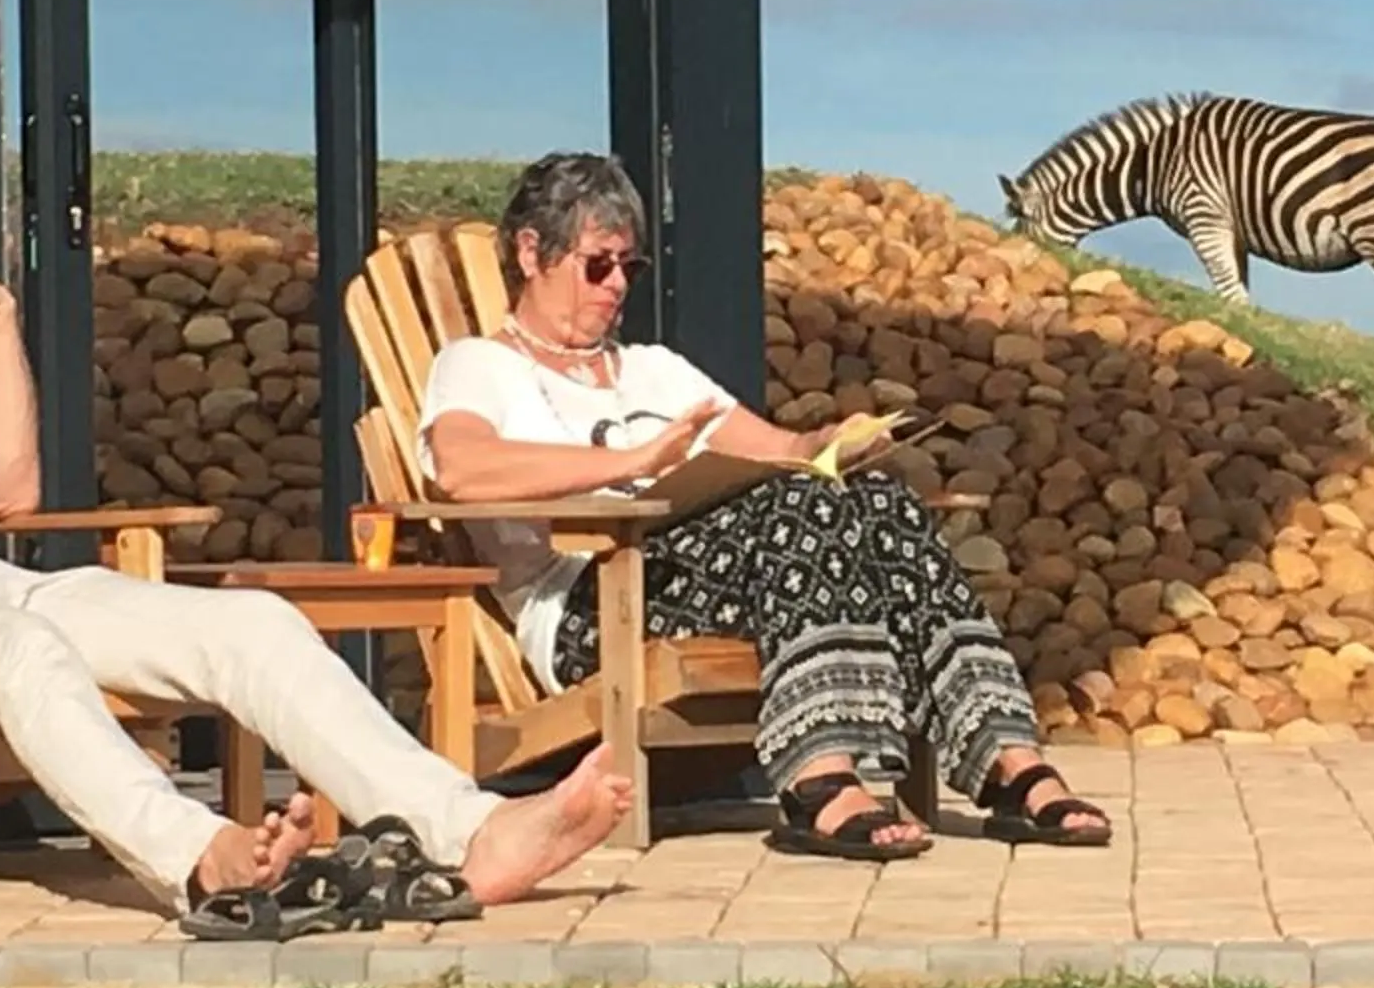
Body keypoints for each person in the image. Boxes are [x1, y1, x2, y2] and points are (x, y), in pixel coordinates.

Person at [0, 158, 630, 931]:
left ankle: (473, 834)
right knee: (21, 653)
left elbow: (8, 488)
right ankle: (202, 859)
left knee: (253, 624)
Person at [419, 152, 1111, 860]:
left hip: (701, 575)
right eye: (599, 264)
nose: (617, 284)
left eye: (631, 267)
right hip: (592, 606)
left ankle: (1010, 760)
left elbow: (784, 449)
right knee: (798, 507)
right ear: (532, 253)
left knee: (875, 498)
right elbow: (459, 466)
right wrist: (630, 464)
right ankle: (819, 782)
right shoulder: (479, 365)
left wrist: (837, 439)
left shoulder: (656, 370)